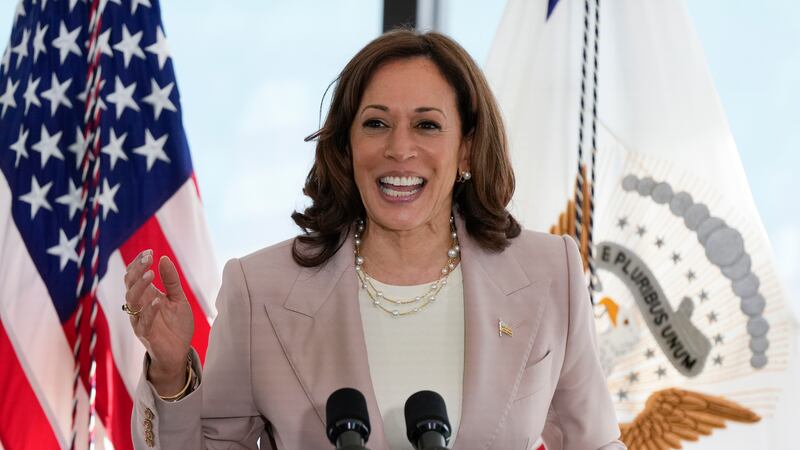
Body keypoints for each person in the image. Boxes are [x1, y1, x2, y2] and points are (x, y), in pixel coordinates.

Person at [124, 29, 625, 450]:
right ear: (347, 146)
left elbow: (595, 443)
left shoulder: (548, 273)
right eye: (376, 124)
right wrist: (170, 372)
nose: (399, 148)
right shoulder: (260, 290)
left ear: (467, 149)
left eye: (427, 125)